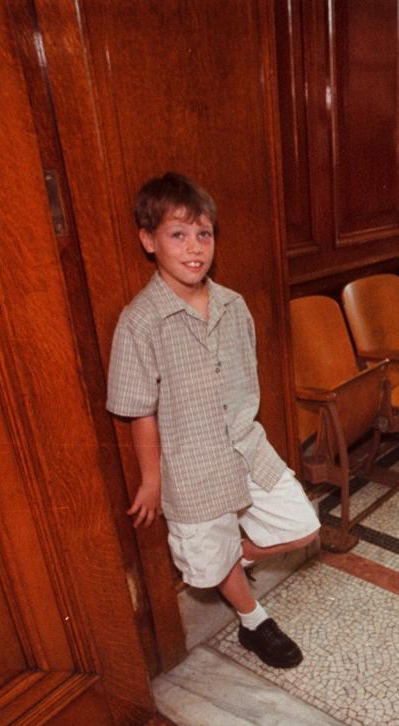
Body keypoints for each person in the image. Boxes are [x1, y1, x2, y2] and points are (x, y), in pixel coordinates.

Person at [107, 172, 320, 669]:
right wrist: (151, 480)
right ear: (148, 240)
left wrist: (238, 550)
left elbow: (244, 383)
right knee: (205, 571)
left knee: (304, 527)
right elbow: (140, 410)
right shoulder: (140, 322)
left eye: (203, 234)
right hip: (192, 467)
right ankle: (254, 620)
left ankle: (235, 556)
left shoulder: (233, 305)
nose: (194, 248)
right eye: (177, 235)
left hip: (247, 449)